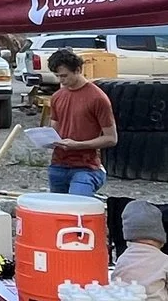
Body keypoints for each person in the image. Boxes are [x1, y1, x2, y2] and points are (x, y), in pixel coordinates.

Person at [43, 50, 117, 196]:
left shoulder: (98, 98)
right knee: (58, 210)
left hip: (86, 167)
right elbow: (55, 129)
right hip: (58, 164)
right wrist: (46, 139)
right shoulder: (57, 96)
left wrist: (78, 145)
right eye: (57, 76)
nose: (61, 81)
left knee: (77, 207)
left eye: (64, 76)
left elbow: (111, 138)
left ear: (78, 70)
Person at [110, 199, 168, 301]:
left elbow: (115, 284)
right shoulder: (166, 261)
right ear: (161, 240)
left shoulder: (123, 259)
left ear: (128, 237)